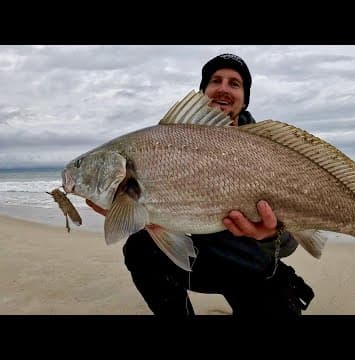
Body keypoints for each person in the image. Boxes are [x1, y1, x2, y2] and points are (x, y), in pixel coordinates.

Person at [87, 53, 314, 317]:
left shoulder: (268, 152)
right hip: (200, 261)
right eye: (215, 81)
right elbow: (150, 212)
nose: (223, 88)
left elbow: (289, 245)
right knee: (140, 248)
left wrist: (269, 234)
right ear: (203, 92)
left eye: (234, 83)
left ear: (245, 97)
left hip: (254, 266)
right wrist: (136, 214)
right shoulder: (168, 143)